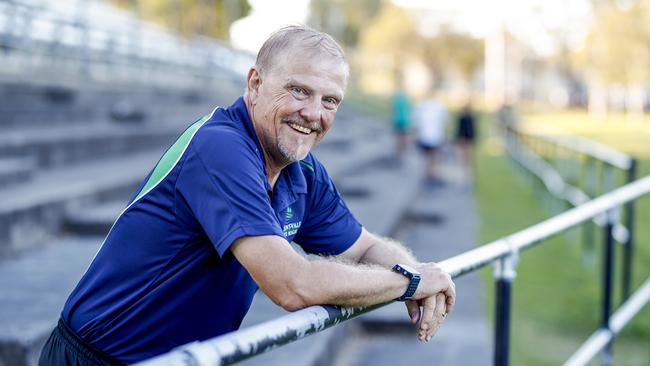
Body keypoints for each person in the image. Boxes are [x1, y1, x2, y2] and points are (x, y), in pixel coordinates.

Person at [38, 26, 455, 365]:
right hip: (102, 358)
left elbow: (364, 248)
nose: (314, 114)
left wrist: (420, 274)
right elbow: (293, 286)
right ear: (255, 83)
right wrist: (410, 281)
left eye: (330, 100)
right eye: (298, 90)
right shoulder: (221, 148)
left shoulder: (303, 170)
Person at [414, 95, 448, 189]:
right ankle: (432, 177)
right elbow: (444, 121)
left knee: (428, 159)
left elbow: (416, 121)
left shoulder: (421, 106)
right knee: (434, 158)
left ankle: (429, 177)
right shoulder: (439, 106)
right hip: (435, 137)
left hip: (425, 136)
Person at [455, 102, 477, 185]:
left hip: (468, 140)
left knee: (468, 159)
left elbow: (472, 131)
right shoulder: (463, 118)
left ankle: (468, 176)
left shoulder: (470, 118)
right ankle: (462, 176)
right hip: (463, 140)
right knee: (462, 159)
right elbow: (460, 130)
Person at [391, 84, 412, 163]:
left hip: (399, 120)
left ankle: (400, 153)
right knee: (403, 137)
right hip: (403, 121)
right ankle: (402, 152)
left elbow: (394, 109)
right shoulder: (404, 99)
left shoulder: (397, 98)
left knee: (400, 137)